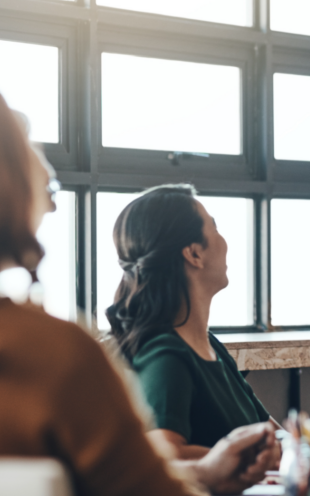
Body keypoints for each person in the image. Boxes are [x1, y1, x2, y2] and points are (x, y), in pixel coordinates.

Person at [0, 68, 310, 496]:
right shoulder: (47, 356)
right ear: (0, 184)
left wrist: (203, 474)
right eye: (29, 148)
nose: (49, 187)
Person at [106, 185, 277, 461]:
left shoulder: (212, 347)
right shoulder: (165, 355)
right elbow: (164, 454)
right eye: (215, 228)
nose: (225, 241)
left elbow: (272, 434)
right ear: (194, 254)